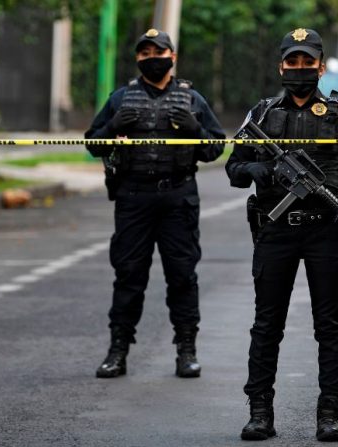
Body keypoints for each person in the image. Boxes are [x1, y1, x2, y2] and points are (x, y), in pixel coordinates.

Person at [226, 28, 338, 442]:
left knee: (329, 326)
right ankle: (260, 412)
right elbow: (233, 167)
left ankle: (329, 413)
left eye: (307, 61)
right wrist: (254, 170)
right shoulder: (261, 114)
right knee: (266, 325)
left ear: (321, 66)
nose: (299, 69)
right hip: (275, 230)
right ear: (281, 65)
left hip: (325, 232)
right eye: (292, 62)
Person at [84, 29, 225, 379]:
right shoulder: (121, 98)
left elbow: (214, 148)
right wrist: (112, 126)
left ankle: (186, 350)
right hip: (134, 197)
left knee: (182, 276)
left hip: (178, 198)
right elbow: (92, 144)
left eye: (157, 52)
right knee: (129, 276)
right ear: (138, 59)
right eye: (144, 53)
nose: (151, 58)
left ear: (172, 57)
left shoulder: (192, 100)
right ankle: (118, 351)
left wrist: (195, 129)